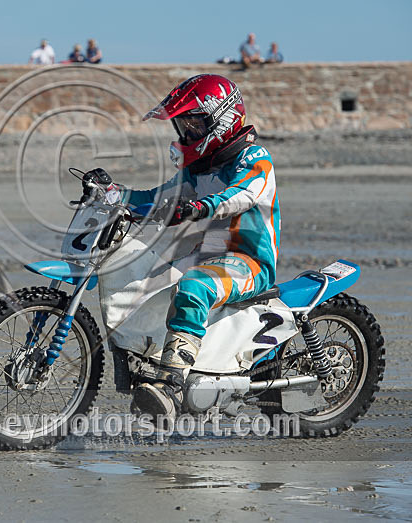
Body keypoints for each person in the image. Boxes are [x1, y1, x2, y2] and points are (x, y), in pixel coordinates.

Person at [83, 74, 279, 422]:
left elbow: (243, 193)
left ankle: (171, 385)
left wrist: (201, 207)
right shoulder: (198, 169)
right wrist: (113, 194)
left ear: (222, 118)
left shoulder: (253, 157)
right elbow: (159, 197)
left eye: (195, 124)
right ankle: (150, 362)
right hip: (206, 255)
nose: (188, 132)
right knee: (147, 279)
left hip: (248, 261)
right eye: (183, 125)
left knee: (194, 286)